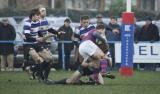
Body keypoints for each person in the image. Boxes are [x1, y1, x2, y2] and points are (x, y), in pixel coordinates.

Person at [47, 16, 110, 85]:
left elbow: (103, 27)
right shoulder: (78, 29)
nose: (86, 24)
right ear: (81, 22)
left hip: (90, 52)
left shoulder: (93, 27)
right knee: (70, 81)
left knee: (101, 83)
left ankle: (87, 81)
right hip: (85, 50)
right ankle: (54, 82)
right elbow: (74, 39)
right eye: (84, 22)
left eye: (87, 22)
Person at [23, 8, 58, 82]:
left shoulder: (38, 22)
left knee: (49, 58)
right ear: (33, 16)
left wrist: (46, 37)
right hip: (28, 44)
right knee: (39, 60)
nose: (39, 17)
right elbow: (27, 36)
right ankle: (42, 78)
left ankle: (32, 69)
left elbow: (39, 32)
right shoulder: (27, 23)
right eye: (38, 15)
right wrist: (37, 39)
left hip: (36, 44)